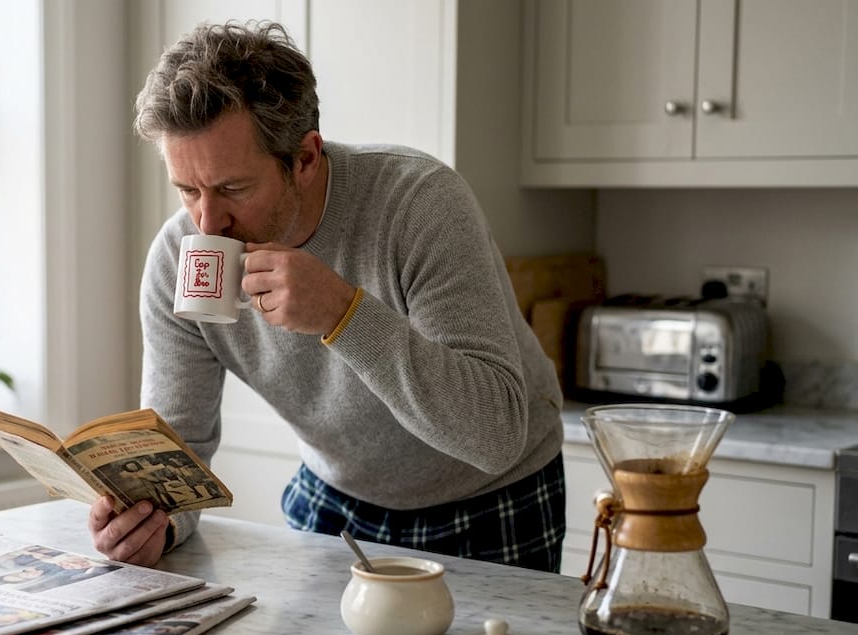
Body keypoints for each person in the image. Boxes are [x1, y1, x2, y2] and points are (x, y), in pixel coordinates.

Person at [88, 21, 566, 573]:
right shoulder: (178, 257)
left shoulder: (420, 205)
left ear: (306, 159)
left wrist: (344, 314)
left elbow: (495, 435)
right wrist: (155, 525)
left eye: (233, 189)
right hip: (335, 498)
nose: (208, 223)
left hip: (491, 498)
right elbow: (181, 452)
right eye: (188, 190)